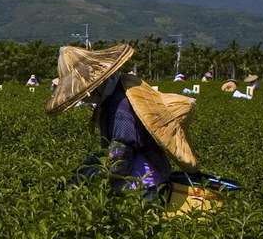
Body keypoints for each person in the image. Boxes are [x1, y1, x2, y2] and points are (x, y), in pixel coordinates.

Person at [47, 43, 199, 192]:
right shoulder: (115, 95)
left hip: (140, 182)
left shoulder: (119, 104)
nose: (84, 96)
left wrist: (94, 179)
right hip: (143, 177)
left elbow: (121, 154)